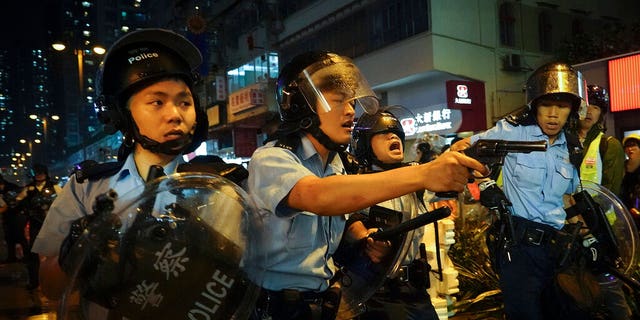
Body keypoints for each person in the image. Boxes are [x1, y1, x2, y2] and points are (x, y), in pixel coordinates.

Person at [245, 51, 486, 320]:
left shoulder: (336, 163)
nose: (350, 111)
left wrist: (363, 238)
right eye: (338, 101)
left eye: (351, 102)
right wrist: (424, 173)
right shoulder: (271, 158)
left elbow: (341, 219)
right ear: (303, 107)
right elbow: (317, 196)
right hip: (279, 309)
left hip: (327, 304)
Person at [31, 28, 209, 316]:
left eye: (184, 102)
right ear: (121, 114)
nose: (175, 114)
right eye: (157, 102)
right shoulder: (87, 188)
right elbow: (50, 288)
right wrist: (79, 249)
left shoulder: (219, 183)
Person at [452, 62, 603, 320]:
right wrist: (485, 183)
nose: (553, 114)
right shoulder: (512, 131)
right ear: (535, 105)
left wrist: (587, 236)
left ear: (573, 110)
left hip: (559, 248)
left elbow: (568, 197)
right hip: (520, 249)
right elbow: (461, 152)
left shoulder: (572, 146)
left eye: (562, 106)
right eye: (546, 105)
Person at [350, 108, 439, 320]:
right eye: (382, 133)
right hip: (376, 291)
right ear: (364, 144)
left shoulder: (416, 178)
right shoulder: (355, 183)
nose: (393, 136)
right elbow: (346, 219)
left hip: (414, 290)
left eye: (396, 132)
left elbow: (449, 179)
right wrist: (364, 237)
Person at [567, 84, 625, 196]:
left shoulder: (609, 145)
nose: (589, 111)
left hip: (597, 211)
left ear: (601, 115)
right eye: (585, 105)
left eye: (595, 107)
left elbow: (611, 191)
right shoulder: (564, 141)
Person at [15, 164, 62, 290]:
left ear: (45, 173)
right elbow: (18, 201)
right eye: (37, 173)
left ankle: (57, 280)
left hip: (51, 223)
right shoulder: (29, 188)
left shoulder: (54, 186)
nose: (39, 175)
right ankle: (34, 281)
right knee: (33, 252)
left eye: (41, 172)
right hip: (35, 223)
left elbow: (63, 200)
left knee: (55, 252)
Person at [0, 176, 27, 264]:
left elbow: (16, 202)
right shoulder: (10, 187)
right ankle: (12, 257)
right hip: (9, 216)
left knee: (19, 236)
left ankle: (26, 256)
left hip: (17, 215)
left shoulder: (11, 188)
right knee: (9, 237)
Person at [622, 133, 640, 219]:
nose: (630, 149)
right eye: (627, 146)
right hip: (626, 208)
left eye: (634, 146)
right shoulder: (622, 166)